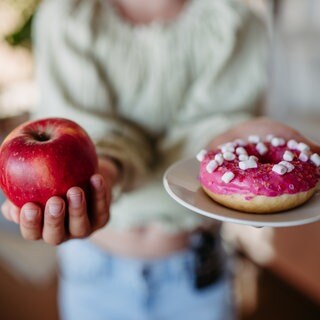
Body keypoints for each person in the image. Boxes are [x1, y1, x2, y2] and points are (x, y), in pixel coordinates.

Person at [0, 0, 293, 319]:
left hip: (198, 276)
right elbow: (87, 137)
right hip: (94, 275)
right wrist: (104, 171)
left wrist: (243, 138)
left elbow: (213, 136)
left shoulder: (236, 23)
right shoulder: (67, 16)